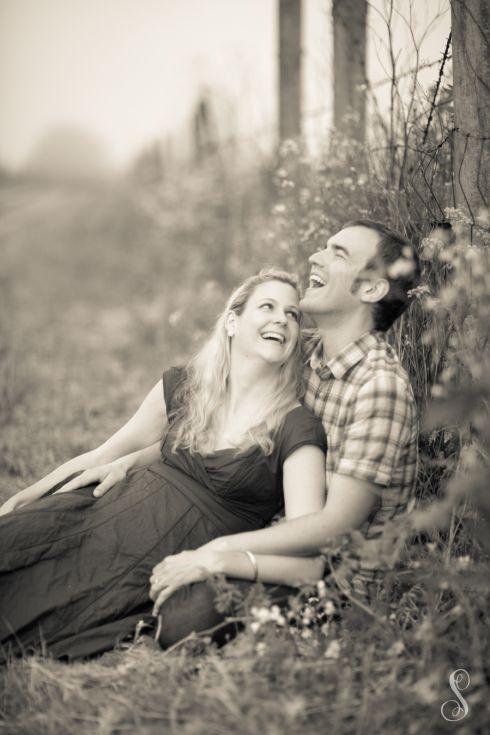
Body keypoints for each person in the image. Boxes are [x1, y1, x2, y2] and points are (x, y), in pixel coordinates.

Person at [0, 269, 328, 661]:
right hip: (108, 513)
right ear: (232, 321)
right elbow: (106, 453)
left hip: (163, 554)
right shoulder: (186, 385)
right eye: (268, 307)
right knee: (18, 538)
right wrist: (24, 496)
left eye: (293, 314)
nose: (282, 319)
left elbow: (309, 552)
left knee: (48, 607)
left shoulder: (297, 426)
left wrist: (218, 559)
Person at [147, 220, 421, 646]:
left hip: (334, 584)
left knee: (183, 620)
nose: (316, 256)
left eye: (338, 253)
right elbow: (210, 413)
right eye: (324, 247)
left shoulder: (379, 388)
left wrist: (216, 553)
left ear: (370, 290)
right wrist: (133, 460)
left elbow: (335, 528)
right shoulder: (303, 350)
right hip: (267, 532)